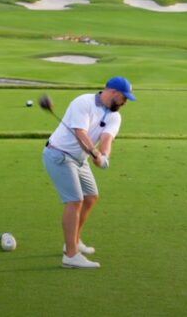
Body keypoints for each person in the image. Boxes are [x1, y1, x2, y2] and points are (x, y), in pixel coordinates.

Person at [42, 77, 136, 268]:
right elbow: (81, 134)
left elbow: (107, 138)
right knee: (75, 200)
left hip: (79, 159)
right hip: (59, 154)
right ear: (113, 93)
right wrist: (94, 152)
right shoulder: (83, 102)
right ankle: (70, 256)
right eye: (124, 98)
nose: (125, 102)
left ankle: (74, 240)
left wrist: (104, 156)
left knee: (91, 197)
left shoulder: (115, 115)